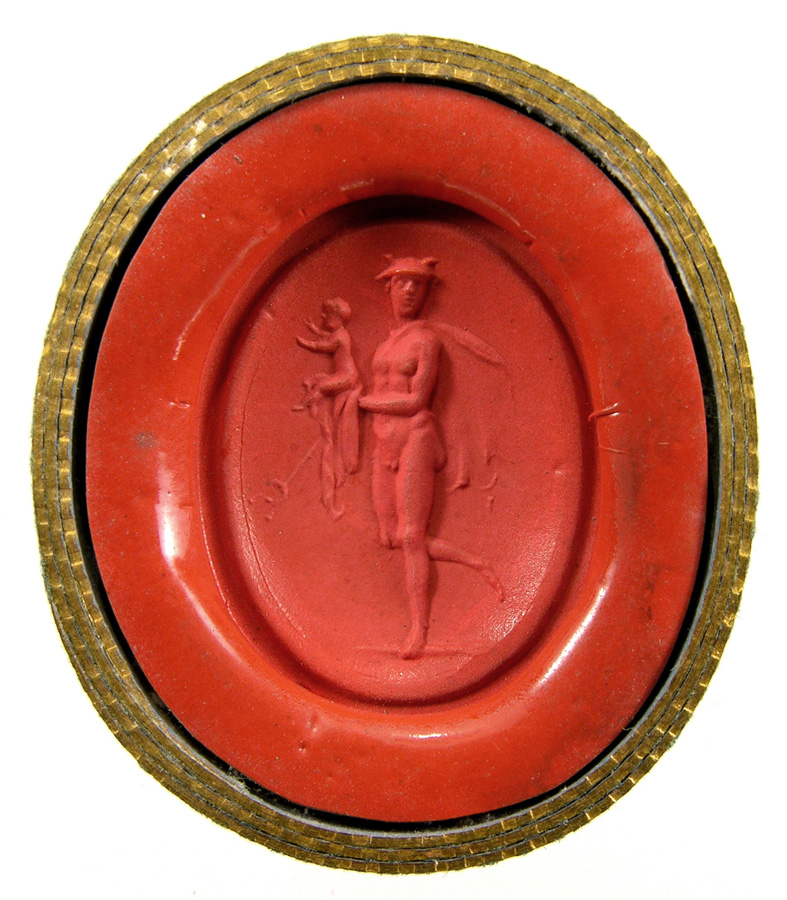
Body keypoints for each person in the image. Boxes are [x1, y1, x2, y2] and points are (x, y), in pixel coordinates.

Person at [359, 257, 503, 659]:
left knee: (410, 536)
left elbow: (416, 401)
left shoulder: (426, 342)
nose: (409, 291)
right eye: (401, 283)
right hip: (383, 444)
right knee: (391, 536)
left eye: (417, 285)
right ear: (388, 289)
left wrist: (364, 403)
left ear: (426, 293)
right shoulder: (384, 345)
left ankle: (419, 631)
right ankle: (477, 563)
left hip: (416, 438)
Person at [295, 297, 361, 519]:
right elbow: (326, 336)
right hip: (344, 375)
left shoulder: (340, 336)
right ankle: (312, 402)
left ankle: (305, 404)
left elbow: (324, 346)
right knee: (319, 381)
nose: (323, 318)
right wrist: (315, 329)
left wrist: (307, 342)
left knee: (321, 386)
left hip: (346, 377)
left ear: (337, 318)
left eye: (326, 316)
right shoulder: (340, 333)